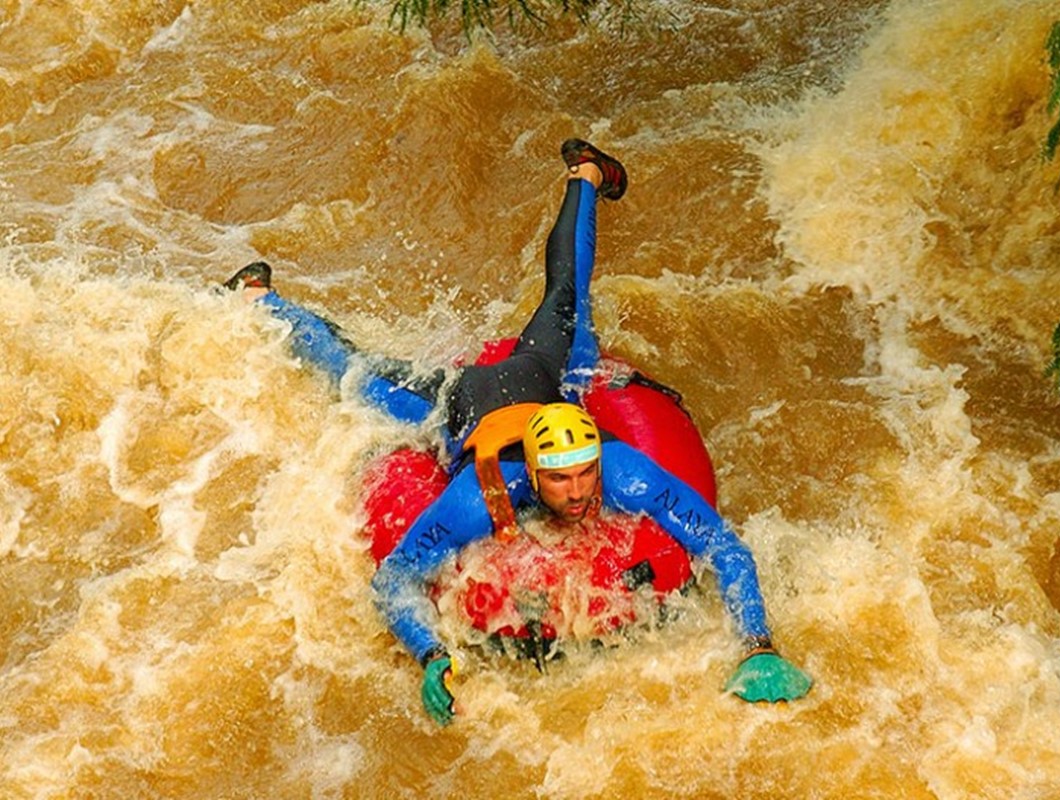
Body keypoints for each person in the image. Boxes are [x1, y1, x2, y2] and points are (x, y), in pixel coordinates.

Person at [223, 140, 812, 726]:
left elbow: (725, 547)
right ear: (532, 475)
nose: (579, 492)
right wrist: (429, 655)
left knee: (566, 294)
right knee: (348, 370)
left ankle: (585, 172)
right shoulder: (483, 496)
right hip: (462, 404)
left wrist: (758, 645)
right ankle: (261, 297)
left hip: (538, 375)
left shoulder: (624, 473)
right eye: (560, 480)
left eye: (585, 474)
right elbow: (395, 579)